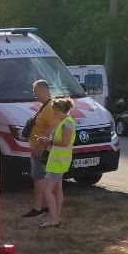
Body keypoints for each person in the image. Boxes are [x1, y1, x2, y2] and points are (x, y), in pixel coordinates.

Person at [33, 96, 77, 229]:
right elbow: (62, 142)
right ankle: (56, 217)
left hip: (58, 163)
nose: (52, 113)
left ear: (58, 110)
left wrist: (49, 142)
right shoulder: (66, 122)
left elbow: (64, 143)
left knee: (47, 191)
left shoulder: (66, 123)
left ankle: (54, 219)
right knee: (57, 190)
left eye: (53, 110)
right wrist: (48, 141)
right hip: (58, 162)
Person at [22, 79, 62, 219]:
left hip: (41, 149)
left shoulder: (50, 107)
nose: (35, 94)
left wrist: (39, 146)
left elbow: (51, 128)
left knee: (39, 177)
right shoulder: (46, 106)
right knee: (43, 177)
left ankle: (37, 208)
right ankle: (45, 205)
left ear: (44, 90)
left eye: (36, 91)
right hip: (40, 148)